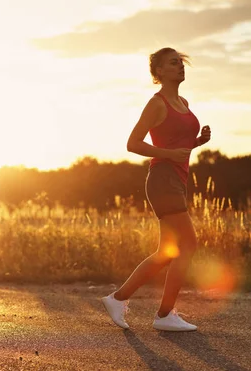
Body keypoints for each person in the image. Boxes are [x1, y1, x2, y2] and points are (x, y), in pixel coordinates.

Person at [102, 48, 211, 331]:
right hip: (163, 179)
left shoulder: (182, 101)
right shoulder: (157, 103)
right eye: (173, 63)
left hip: (176, 179)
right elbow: (133, 143)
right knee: (187, 244)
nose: (180, 67)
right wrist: (168, 154)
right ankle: (164, 315)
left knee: (167, 252)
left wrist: (198, 142)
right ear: (159, 71)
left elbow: (177, 143)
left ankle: (118, 298)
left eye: (181, 62)